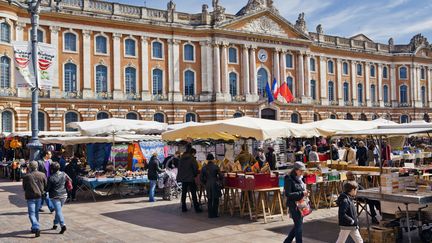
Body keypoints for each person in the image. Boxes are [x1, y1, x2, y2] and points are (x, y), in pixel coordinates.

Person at [284, 162, 309, 243]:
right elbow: (288, 194)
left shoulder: (300, 178)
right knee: (299, 226)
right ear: (295, 170)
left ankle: (287, 241)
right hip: (293, 205)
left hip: (301, 204)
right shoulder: (289, 179)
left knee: (298, 225)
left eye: (303, 171)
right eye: (301, 171)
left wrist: (305, 193)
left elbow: (300, 190)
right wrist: (301, 193)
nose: (302, 172)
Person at [22, 161, 47, 238]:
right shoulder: (42, 174)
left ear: (30, 167)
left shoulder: (27, 176)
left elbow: (24, 187)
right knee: (36, 213)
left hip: (30, 196)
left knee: (32, 214)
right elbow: (45, 185)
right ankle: (35, 227)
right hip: (39, 196)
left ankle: (36, 227)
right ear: (37, 167)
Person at [177, 147, 202, 213]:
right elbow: (195, 168)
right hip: (190, 178)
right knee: (193, 193)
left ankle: (183, 207)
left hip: (183, 178)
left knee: (184, 193)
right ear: (193, 153)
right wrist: (195, 174)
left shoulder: (181, 158)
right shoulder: (192, 158)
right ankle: (197, 208)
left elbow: (179, 167)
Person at [47, 162, 69, 234]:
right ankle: (55, 224)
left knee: (58, 211)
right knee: (58, 210)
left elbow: (47, 188)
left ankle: (63, 225)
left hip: (55, 196)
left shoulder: (50, 177)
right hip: (64, 195)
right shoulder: (64, 174)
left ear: (52, 169)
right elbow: (70, 180)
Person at [200, 153, 222, 218]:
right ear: (213, 159)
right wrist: (219, 180)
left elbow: (201, 178)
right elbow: (221, 176)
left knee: (209, 199)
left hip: (208, 184)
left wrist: (205, 183)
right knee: (216, 199)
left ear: (207, 160)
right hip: (215, 183)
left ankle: (210, 214)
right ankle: (215, 213)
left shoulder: (204, 168)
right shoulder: (216, 166)